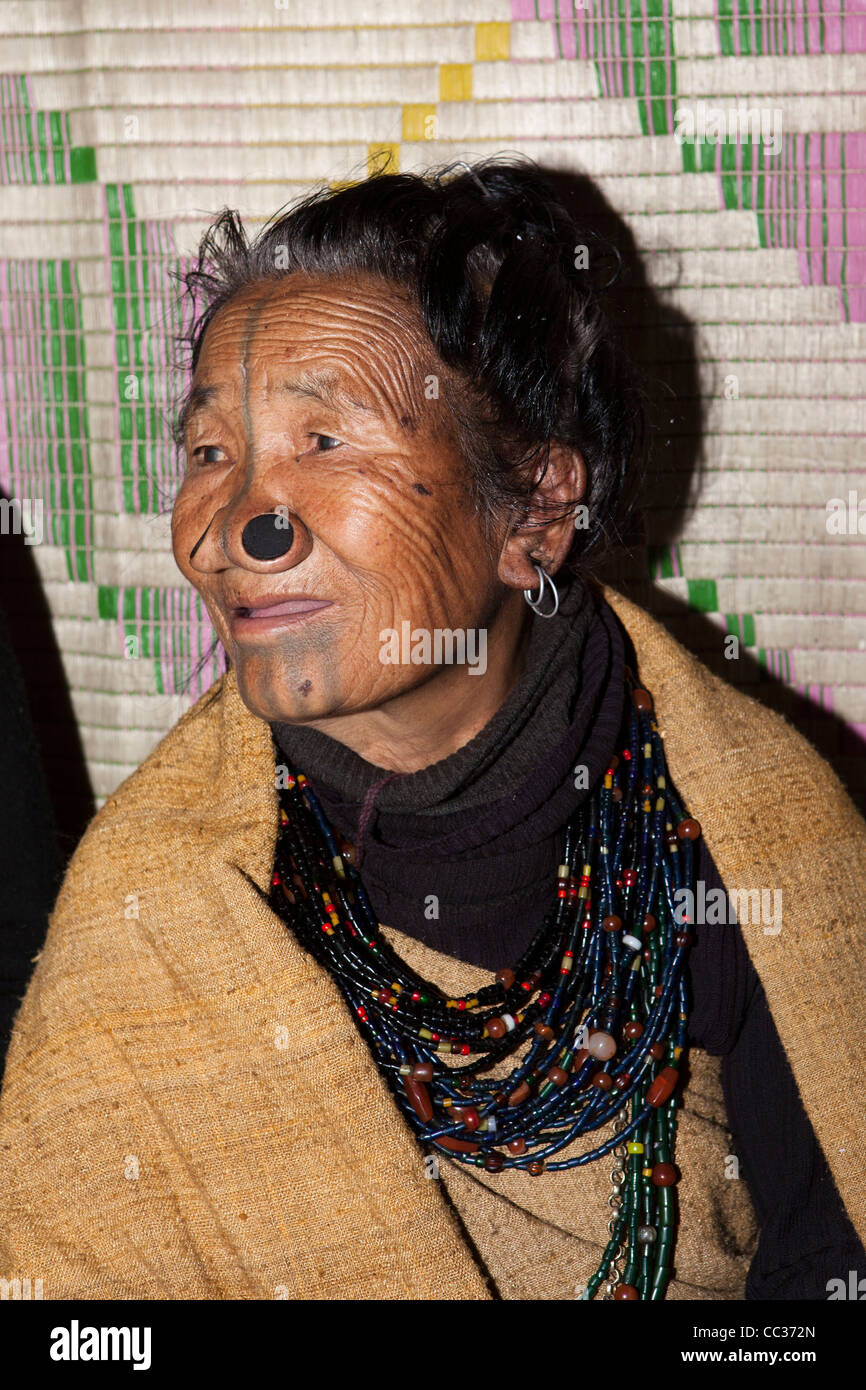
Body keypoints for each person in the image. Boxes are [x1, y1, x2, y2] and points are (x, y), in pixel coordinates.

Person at [1, 158, 864, 1301]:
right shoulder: (156, 910)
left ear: (537, 511)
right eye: (211, 453)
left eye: (325, 442)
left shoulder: (755, 847)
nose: (235, 531)